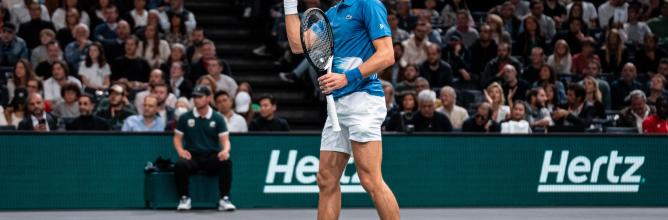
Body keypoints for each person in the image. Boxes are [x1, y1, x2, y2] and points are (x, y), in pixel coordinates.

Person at [284, 0, 400, 218]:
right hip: (337, 105)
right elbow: (298, 45)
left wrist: (347, 77)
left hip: (362, 100)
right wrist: (289, 5)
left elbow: (387, 55)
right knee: (326, 180)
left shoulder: (368, 4)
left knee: (370, 179)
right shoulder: (330, 14)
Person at [173, 85, 235, 211]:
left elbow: (225, 140)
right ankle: (184, 199)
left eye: (200, 97)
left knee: (226, 162)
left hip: (210, 157)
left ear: (208, 98)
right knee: (180, 164)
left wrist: (225, 151)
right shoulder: (185, 117)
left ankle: (224, 199)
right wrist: (180, 151)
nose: (196, 100)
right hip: (192, 156)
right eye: (195, 97)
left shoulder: (218, 118)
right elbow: (177, 138)